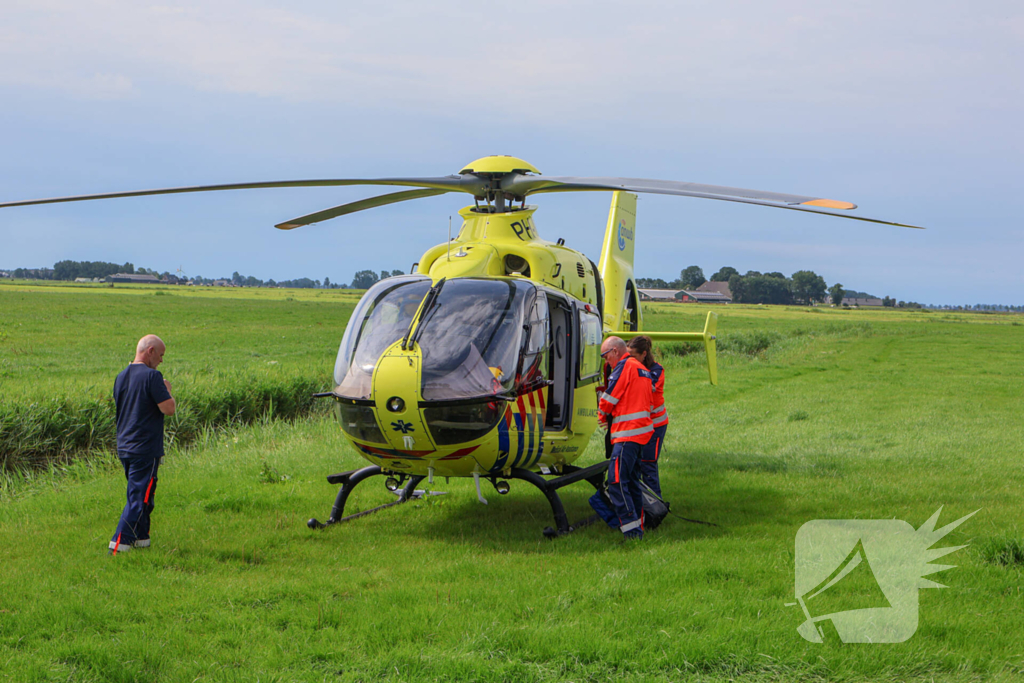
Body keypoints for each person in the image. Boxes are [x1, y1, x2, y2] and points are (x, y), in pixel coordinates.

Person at [109, 335, 176, 554]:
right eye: (161, 355)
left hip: (125, 446)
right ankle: (118, 545)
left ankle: (141, 540)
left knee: (145, 495)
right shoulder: (153, 377)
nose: (161, 361)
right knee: (139, 498)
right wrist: (167, 389)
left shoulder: (121, 376)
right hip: (145, 448)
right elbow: (169, 409)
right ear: (150, 351)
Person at [588, 336, 654, 539]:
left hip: (627, 434)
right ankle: (638, 526)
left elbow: (609, 397)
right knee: (632, 482)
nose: (606, 362)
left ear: (615, 352)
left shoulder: (625, 366)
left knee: (616, 482)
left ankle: (631, 531)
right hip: (640, 434)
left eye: (605, 357)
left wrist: (602, 415)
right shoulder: (642, 368)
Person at [627, 335, 667, 497]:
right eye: (627, 356)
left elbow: (645, 388)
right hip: (638, 425)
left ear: (644, 354)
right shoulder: (630, 368)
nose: (629, 360)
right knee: (636, 465)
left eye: (633, 356)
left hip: (655, 426)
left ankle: (655, 504)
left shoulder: (657, 370)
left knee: (648, 465)